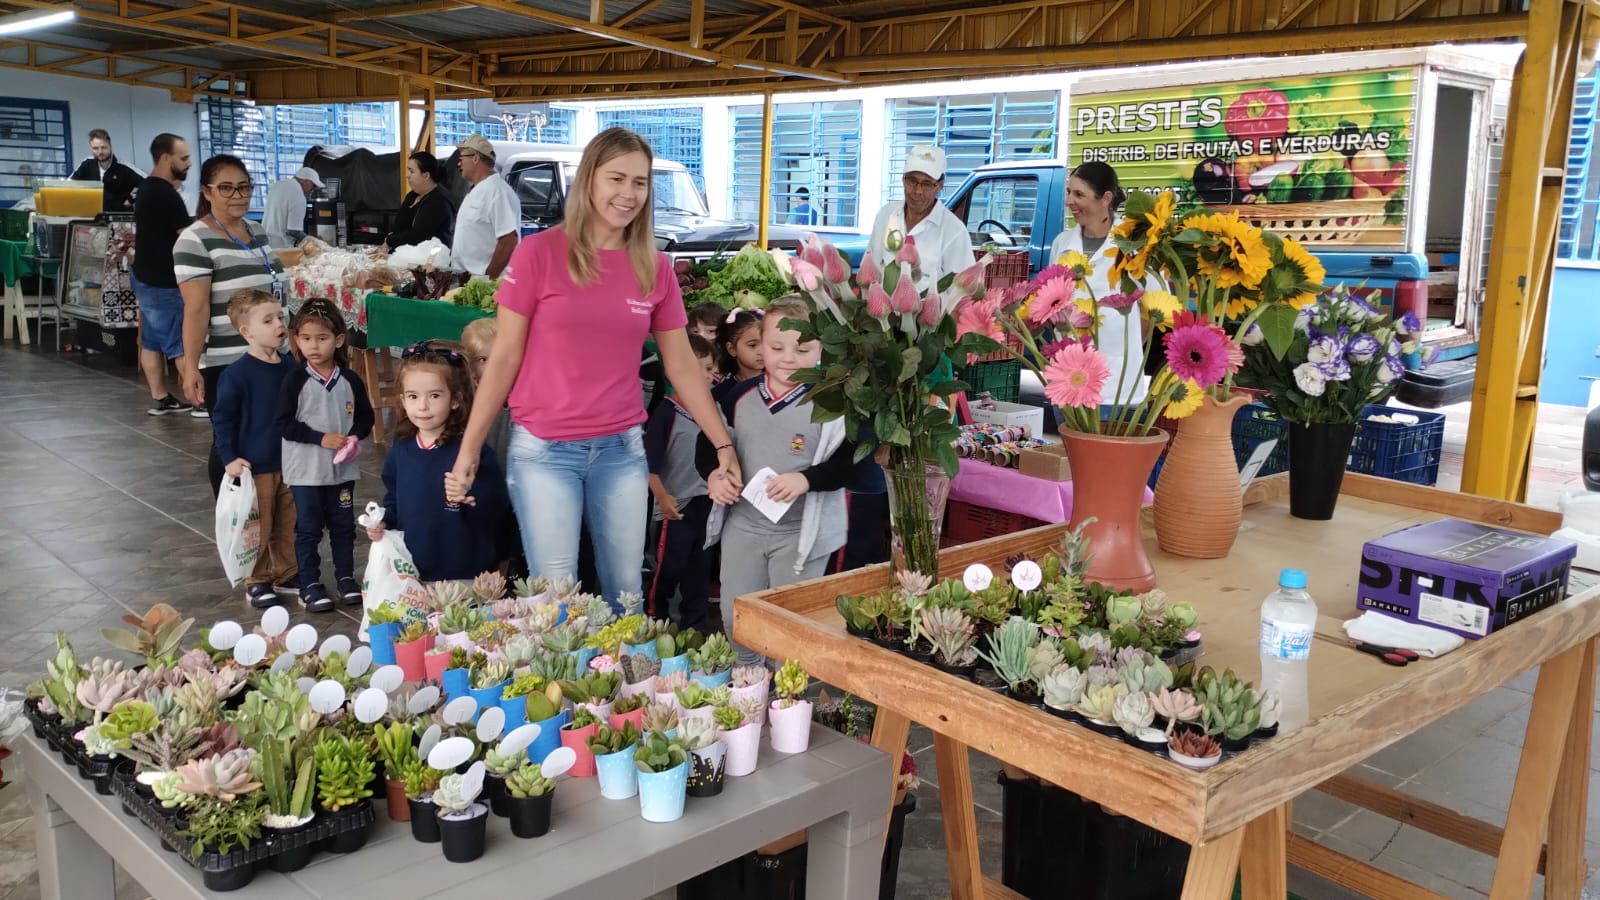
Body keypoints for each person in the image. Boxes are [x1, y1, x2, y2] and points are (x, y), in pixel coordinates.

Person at [449, 127, 741, 608]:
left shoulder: (653, 265)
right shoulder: (538, 253)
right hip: (544, 451)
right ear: (589, 180)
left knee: (626, 592)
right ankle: (561, 684)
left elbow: (683, 365)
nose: (628, 194)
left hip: (621, 451)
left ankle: (621, 682)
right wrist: (470, 449)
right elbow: (504, 357)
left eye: (640, 183)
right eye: (617, 179)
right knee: (555, 597)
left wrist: (722, 440)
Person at [699, 297, 861, 667]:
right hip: (744, 527)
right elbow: (708, 442)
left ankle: (786, 699)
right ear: (761, 345)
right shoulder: (737, 396)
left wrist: (807, 479)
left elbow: (853, 462)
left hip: (800, 535)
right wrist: (714, 474)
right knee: (735, 615)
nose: (788, 358)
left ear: (822, 348)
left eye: (803, 349)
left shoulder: (834, 404)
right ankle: (748, 685)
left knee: (789, 628)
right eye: (776, 347)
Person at [175, 153, 287, 494]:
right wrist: (191, 366)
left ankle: (268, 507)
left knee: (265, 429)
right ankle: (232, 513)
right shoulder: (194, 240)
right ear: (207, 192)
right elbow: (195, 310)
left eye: (243, 187)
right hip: (227, 361)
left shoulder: (256, 231)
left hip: (267, 355)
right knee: (229, 438)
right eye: (226, 188)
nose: (237, 195)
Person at [367, 342, 509, 582]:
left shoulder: (472, 452)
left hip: (466, 575)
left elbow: (496, 509)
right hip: (414, 573)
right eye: (413, 396)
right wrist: (383, 520)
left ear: (455, 399)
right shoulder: (401, 449)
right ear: (402, 399)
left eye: (434, 395)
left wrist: (468, 495)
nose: (422, 406)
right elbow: (393, 496)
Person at [274, 298, 373, 612]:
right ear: (297, 340)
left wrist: (354, 438)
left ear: (339, 340)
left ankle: (346, 579)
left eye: (322, 338)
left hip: (343, 473)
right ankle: (310, 584)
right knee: (308, 529)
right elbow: (284, 424)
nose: (313, 346)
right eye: (305, 339)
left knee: (344, 527)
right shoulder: (295, 380)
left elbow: (366, 417)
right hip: (306, 473)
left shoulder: (351, 380)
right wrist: (321, 439)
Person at [1047, 161, 1167, 405]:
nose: (1070, 201)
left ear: (1105, 198)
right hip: (1067, 380)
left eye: (1079, 194)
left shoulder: (1137, 245)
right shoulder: (1062, 243)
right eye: (1068, 193)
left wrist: (1124, 349)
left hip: (1116, 384)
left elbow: (1154, 308)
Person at [211, 289, 297, 609]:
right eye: (268, 320)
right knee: (258, 526)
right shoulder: (237, 375)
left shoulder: (289, 367)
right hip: (255, 465)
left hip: (289, 463)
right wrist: (228, 457)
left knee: (289, 521)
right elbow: (223, 418)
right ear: (246, 331)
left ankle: (287, 571)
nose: (279, 324)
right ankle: (257, 578)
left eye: (280, 317)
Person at [646, 334, 719, 630]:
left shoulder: (714, 410)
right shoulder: (665, 414)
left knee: (698, 571)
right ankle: (655, 618)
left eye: (712, 368)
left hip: (708, 505)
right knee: (667, 568)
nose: (711, 375)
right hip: (676, 508)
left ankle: (696, 628)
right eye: (701, 368)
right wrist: (663, 498)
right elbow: (649, 467)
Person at [131, 133, 195, 416]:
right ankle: (200, 400)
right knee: (180, 343)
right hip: (164, 281)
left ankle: (161, 397)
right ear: (165, 158)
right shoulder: (166, 195)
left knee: (152, 341)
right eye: (183, 158)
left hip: (144, 275)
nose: (188, 163)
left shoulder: (146, 188)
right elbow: (187, 239)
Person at [867, 145, 972, 293]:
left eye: (927, 184)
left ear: (940, 186)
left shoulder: (954, 231)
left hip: (930, 316)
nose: (917, 191)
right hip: (882, 315)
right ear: (903, 179)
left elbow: (962, 293)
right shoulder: (885, 216)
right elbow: (871, 270)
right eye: (912, 181)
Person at [452, 135, 519, 278]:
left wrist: (488, 278)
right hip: (467, 279)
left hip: (486, 283)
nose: (459, 164)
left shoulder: (498, 191)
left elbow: (509, 239)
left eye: (461, 159)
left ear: (475, 158)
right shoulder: (476, 190)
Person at [381, 151, 454, 252]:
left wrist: (390, 240)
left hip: (429, 261)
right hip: (404, 257)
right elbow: (399, 227)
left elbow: (418, 235)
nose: (407, 175)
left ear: (426, 175)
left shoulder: (439, 202)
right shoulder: (411, 196)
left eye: (411, 171)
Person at [70, 128, 142, 211]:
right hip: (93, 217)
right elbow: (69, 185)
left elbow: (147, 182)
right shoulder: (86, 164)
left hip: (119, 219)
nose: (100, 152)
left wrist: (130, 200)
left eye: (103, 147)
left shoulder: (124, 167)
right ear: (91, 148)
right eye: (95, 148)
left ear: (110, 146)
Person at [262, 167, 323, 249]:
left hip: (264, 243)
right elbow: (294, 231)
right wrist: (314, 242)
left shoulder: (278, 184)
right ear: (306, 181)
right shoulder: (298, 194)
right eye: (314, 186)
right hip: (281, 246)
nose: (313, 190)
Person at [714, 308, 763, 402]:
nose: (762, 351)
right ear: (732, 349)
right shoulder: (721, 395)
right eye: (752, 345)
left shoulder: (782, 384)